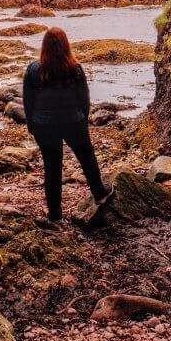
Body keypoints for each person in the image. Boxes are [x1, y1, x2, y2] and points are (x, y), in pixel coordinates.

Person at [23, 27, 114, 221]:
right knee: (86, 156)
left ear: (44, 46)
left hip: (43, 125)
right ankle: (99, 193)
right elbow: (84, 97)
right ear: (65, 45)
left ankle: (55, 212)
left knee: (52, 165)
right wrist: (83, 117)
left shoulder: (33, 69)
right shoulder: (74, 68)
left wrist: (31, 124)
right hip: (73, 120)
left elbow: (27, 100)